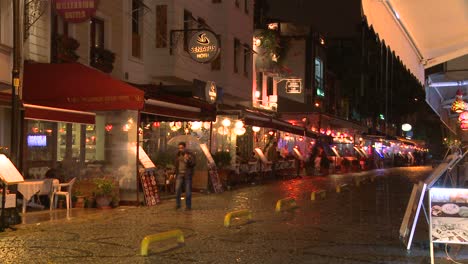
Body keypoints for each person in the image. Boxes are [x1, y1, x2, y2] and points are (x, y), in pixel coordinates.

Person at [174, 142, 196, 210]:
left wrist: (188, 159)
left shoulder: (190, 154)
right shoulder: (178, 154)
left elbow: (193, 163)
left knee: (188, 191)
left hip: (187, 174)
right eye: (179, 148)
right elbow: (176, 164)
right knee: (177, 189)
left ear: (185, 147)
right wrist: (174, 173)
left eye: (182, 148)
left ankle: (188, 206)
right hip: (179, 174)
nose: (180, 149)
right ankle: (178, 204)